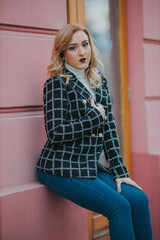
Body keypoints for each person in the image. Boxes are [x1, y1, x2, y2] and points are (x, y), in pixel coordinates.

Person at [36, 24, 152, 240]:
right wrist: (93, 118)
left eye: (85, 44)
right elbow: (55, 132)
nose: (82, 52)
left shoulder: (98, 81)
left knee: (139, 199)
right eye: (73, 47)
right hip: (60, 167)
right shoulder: (57, 84)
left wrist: (120, 172)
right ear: (62, 53)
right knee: (119, 207)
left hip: (88, 166)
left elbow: (108, 130)